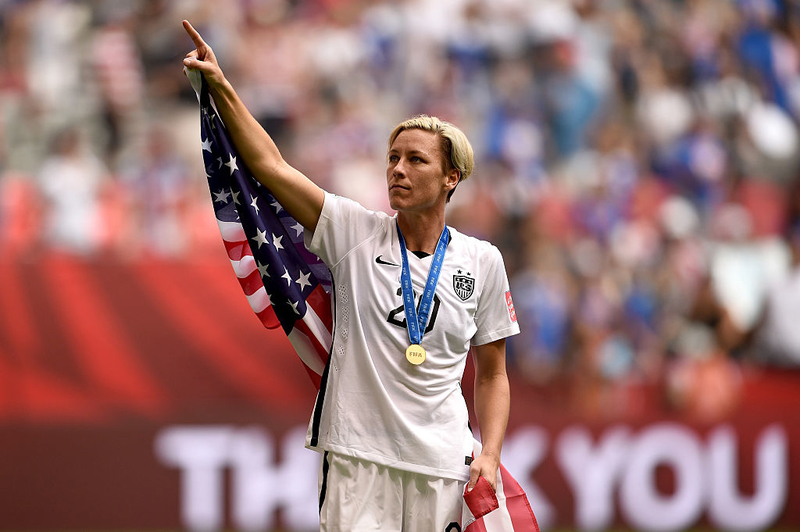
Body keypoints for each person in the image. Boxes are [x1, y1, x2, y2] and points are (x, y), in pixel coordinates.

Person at [182, 20, 520, 531]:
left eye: (415, 160)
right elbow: (271, 167)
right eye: (392, 158)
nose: (397, 170)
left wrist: (490, 456)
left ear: (451, 177)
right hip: (358, 460)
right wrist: (222, 87)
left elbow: (493, 373)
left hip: (445, 467)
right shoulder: (353, 231)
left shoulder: (483, 261)